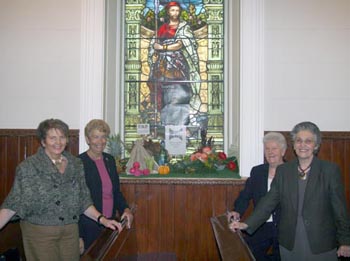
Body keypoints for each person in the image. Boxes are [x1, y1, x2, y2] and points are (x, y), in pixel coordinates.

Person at [0, 119, 122, 261]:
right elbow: (12, 205)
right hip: (40, 232)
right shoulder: (28, 167)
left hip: (70, 231)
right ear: (43, 141)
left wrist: (102, 220)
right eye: (52, 138)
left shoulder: (75, 164)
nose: (58, 142)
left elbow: (84, 201)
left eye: (62, 137)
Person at [230, 121, 350, 260]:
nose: (302, 145)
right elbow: (268, 202)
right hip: (289, 244)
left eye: (308, 141)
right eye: (298, 140)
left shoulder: (329, 170)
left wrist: (345, 241)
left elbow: (340, 209)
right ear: (293, 145)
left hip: (321, 244)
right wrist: (246, 224)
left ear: (316, 145)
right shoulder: (284, 171)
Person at [227, 132, 286, 260]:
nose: (270, 152)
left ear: (283, 151)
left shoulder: (291, 172)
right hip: (260, 225)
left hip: (284, 228)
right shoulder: (257, 171)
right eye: (267, 148)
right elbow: (245, 195)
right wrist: (237, 211)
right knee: (247, 253)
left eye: (274, 148)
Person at [78, 119, 133, 252]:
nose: (100, 141)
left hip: (110, 222)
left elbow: (116, 192)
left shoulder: (109, 160)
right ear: (87, 139)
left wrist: (126, 209)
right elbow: (78, 201)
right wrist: (78, 235)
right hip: (88, 226)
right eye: (96, 137)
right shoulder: (78, 163)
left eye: (103, 137)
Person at [148, 1, 201, 126]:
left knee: (179, 88)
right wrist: (155, 47)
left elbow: (180, 44)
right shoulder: (161, 28)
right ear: (168, 12)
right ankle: (163, 120)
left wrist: (162, 47)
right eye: (172, 10)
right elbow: (154, 44)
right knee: (159, 87)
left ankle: (182, 122)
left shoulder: (183, 27)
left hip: (177, 63)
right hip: (162, 64)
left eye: (177, 10)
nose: (175, 13)